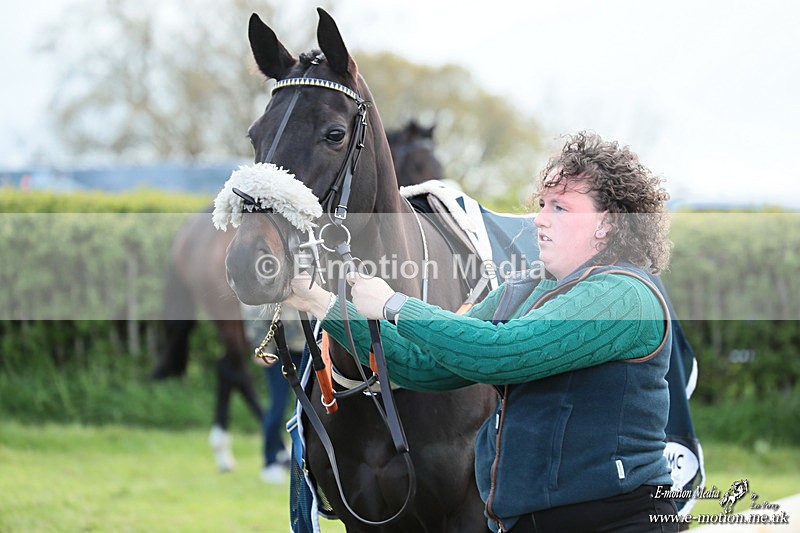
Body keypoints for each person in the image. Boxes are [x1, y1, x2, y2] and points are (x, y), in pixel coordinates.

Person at [286, 131, 679, 532]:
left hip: (620, 522)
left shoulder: (626, 294)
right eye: (543, 204)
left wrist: (393, 305)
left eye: (560, 208)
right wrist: (321, 303)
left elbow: (503, 353)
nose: (539, 218)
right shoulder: (524, 288)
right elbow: (422, 366)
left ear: (607, 224)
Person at [244, 305, 304, 484]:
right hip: (278, 348)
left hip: (308, 347)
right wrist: (260, 345)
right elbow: (254, 307)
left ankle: (301, 462)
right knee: (277, 408)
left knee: (310, 409)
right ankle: (271, 461)